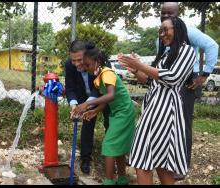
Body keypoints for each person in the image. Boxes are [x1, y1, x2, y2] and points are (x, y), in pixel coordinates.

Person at [118, 16, 196, 185]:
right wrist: (134, 69)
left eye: (166, 29)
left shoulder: (187, 51)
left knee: (142, 157)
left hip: (165, 110)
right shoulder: (167, 54)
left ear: (178, 30)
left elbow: (173, 78)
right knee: (160, 159)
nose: (162, 34)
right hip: (154, 109)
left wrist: (140, 65)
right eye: (160, 30)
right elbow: (150, 81)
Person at [159, 2, 219, 179]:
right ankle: (165, 159)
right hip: (169, 81)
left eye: (170, 13)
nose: (166, 15)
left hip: (187, 81)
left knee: (182, 122)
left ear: (178, 14)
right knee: (168, 121)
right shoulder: (162, 34)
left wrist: (205, 74)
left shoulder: (188, 32)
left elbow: (212, 46)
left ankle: (181, 166)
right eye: (163, 13)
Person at [72, 47, 136, 185]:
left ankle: (108, 181)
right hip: (117, 112)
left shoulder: (107, 73)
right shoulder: (98, 77)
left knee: (109, 144)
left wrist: (86, 105)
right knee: (118, 146)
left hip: (124, 112)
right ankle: (122, 179)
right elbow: (107, 101)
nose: (86, 68)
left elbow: (111, 95)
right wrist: (95, 111)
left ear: (97, 61)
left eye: (88, 64)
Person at [65, 39, 110, 174]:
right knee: (87, 125)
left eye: (80, 60)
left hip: (105, 97)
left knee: (110, 123)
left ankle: (113, 155)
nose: (77, 64)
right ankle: (86, 159)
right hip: (84, 98)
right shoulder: (69, 65)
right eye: (73, 60)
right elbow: (70, 87)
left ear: (88, 56)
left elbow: (101, 88)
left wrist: (88, 104)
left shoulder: (98, 61)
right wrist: (74, 105)